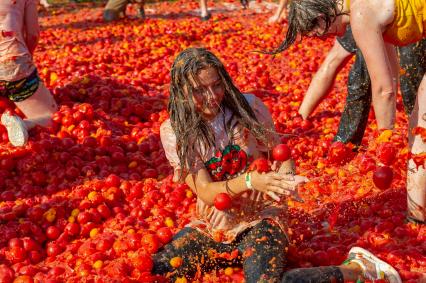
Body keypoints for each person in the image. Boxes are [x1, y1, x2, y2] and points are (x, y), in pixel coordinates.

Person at [155, 47, 306, 282]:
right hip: (214, 227)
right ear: (181, 92)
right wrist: (248, 181)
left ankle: (353, 269)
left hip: (261, 217)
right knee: (158, 269)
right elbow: (205, 191)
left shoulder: (248, 107)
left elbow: (280, 154)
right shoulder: (176, 131)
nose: (212, 96)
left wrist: (287, 179)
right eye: (198, 90)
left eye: (216, 85)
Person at [272, 0, 425, 224]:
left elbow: (384, 90)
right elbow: (391, 74)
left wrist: (385, 141)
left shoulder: (360, 14)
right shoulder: (360, 10)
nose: (321, 38)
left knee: (420, 136)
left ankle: (417, 219)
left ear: (322, 17)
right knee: (417, 129)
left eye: (315, 32)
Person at [299, 27, 423, 146]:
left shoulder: (361, 16)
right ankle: (302, 117)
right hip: (380, 13)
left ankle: (301, 117)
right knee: (381, 55)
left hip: (376, 14)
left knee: (339, 55)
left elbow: (385, 87)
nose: (324, 38)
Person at [0, 0, 57, 147]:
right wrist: (27, 60)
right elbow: (33, 34)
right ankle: (25, 125)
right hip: (11, 64)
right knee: (52, 117)